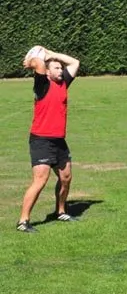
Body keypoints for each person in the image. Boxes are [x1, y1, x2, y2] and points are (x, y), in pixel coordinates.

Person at [17, 45, 81, 233]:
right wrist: (31, 62)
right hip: (41, 140)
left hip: (59, 140)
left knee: (66, 177)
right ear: (47, 72)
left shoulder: (63, 83)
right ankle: (23, 221)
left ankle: (60, 211)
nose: (61, 70)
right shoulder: (42, 84)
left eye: (61, 68)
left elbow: (75, 62)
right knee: (40, 180)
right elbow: (37, 62)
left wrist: (52, 54)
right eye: (56, 68)